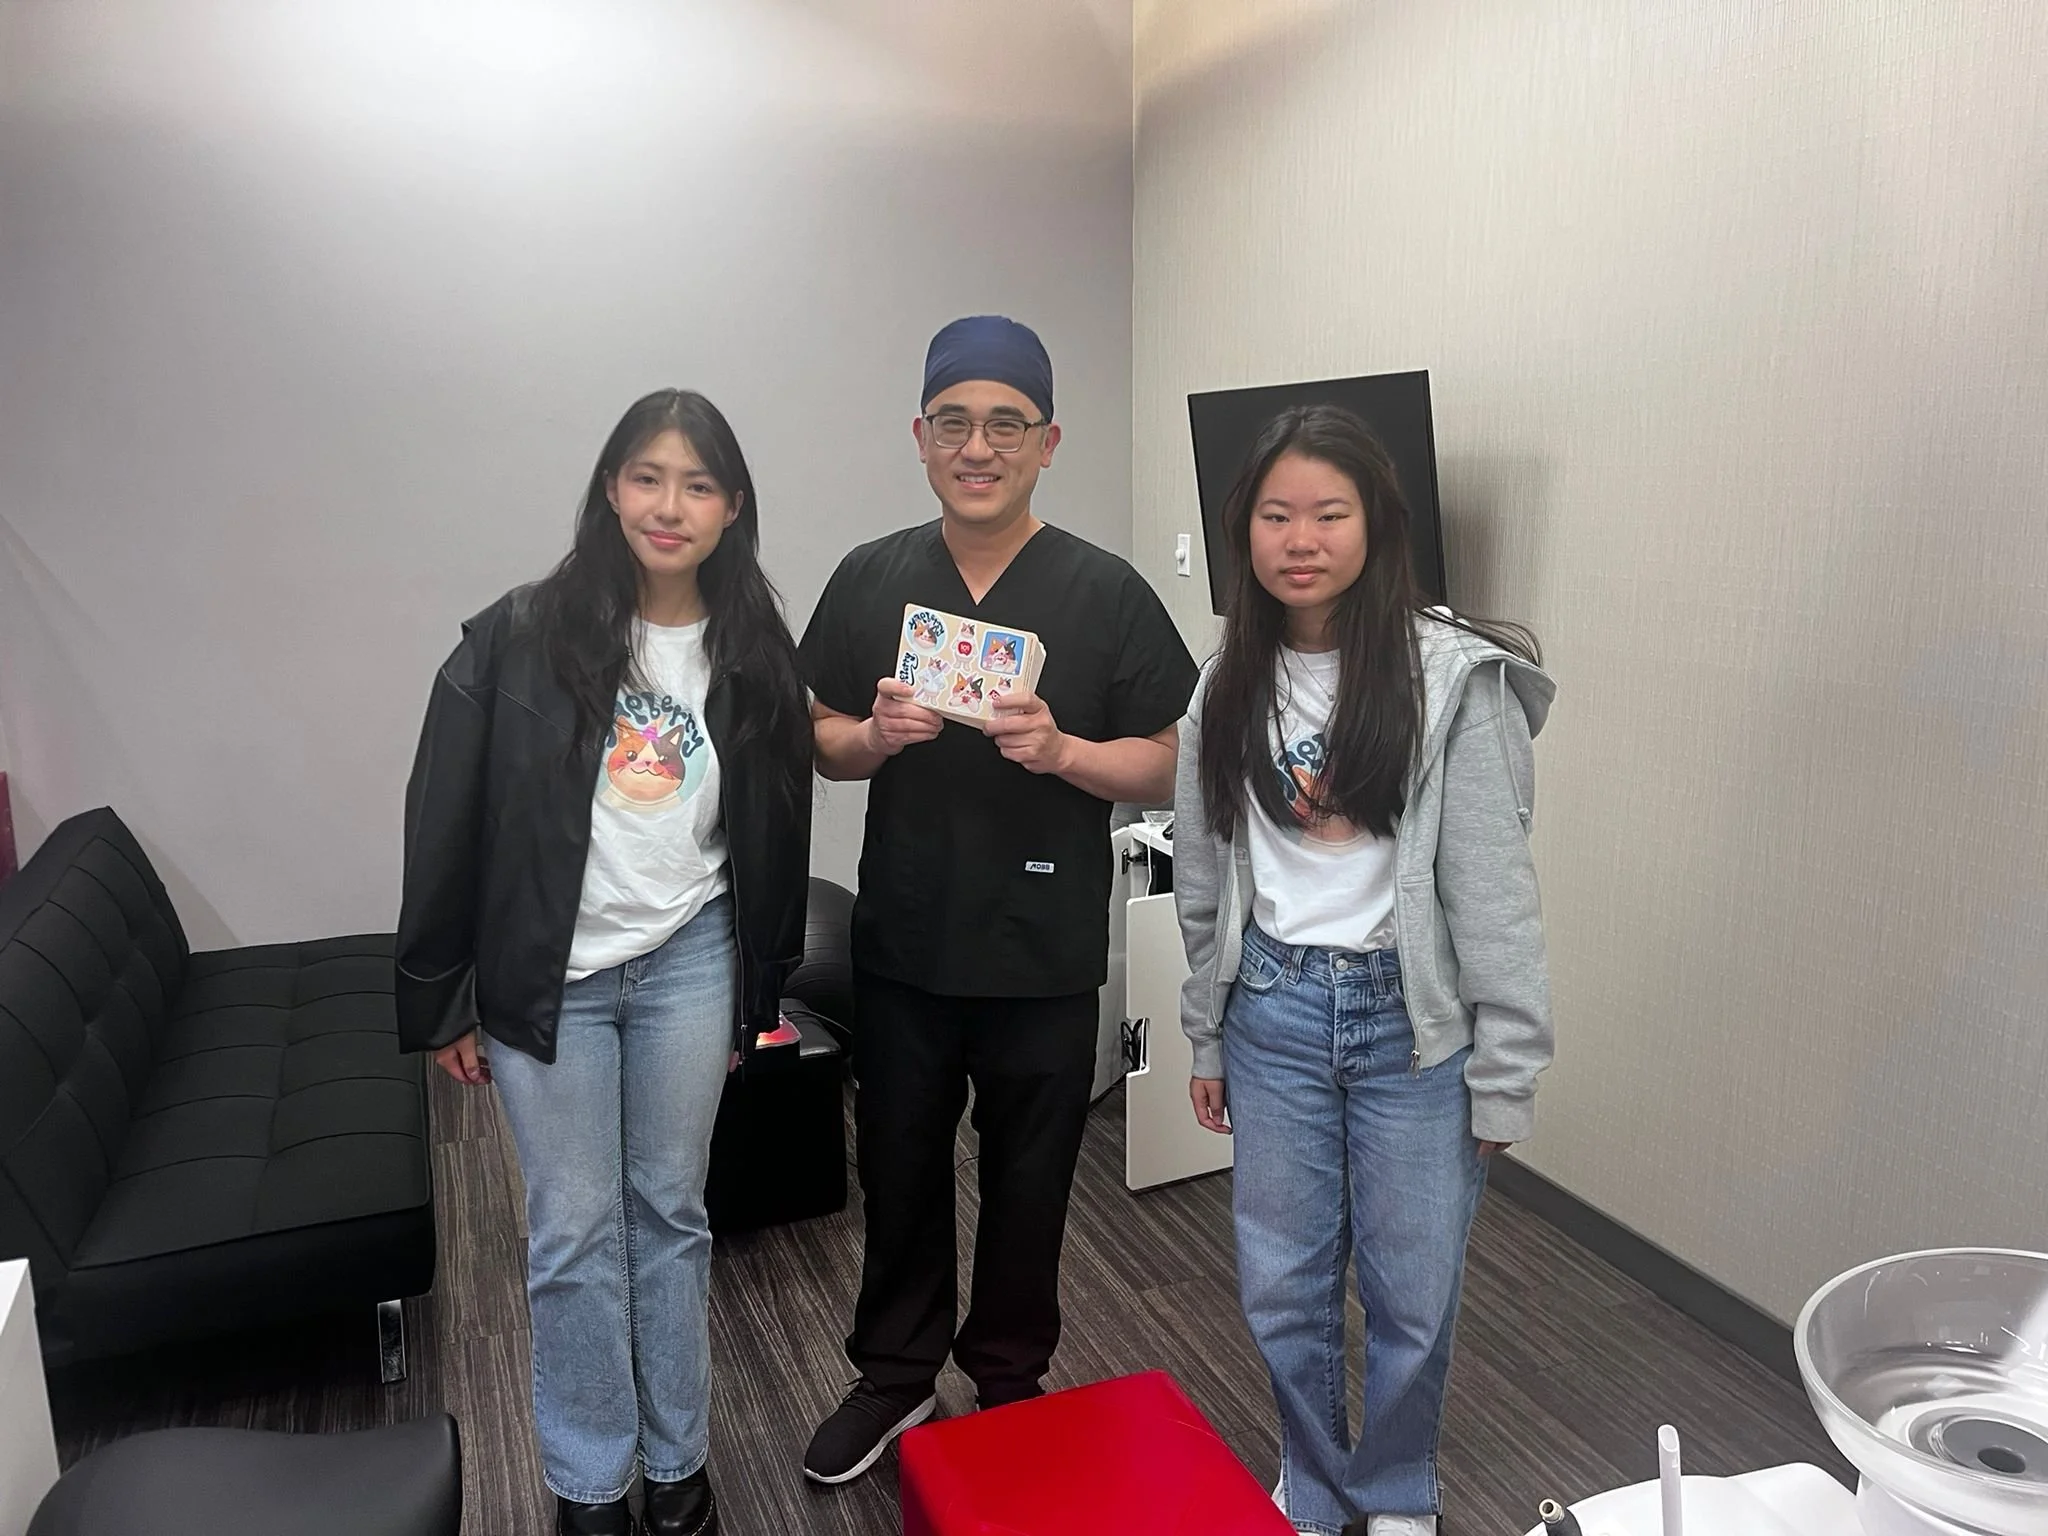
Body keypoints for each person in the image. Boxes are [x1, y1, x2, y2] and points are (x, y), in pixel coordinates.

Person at [395, 389, 812, 1536]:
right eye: (646, 477)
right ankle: (591, 1482)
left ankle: (676, 1465)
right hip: (552, 978)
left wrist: (756, 993)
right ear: (611, 489)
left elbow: (777, 827)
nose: (668, 506)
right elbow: (443, 817)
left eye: (696, 484)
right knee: (572, 1232)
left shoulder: (753, 649)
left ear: (732, 507)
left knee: (671, 1213)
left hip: (689, 963)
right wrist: (443, 997)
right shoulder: (518, 637)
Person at [797, 316, 1198, 1485]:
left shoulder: (1104, 591)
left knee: (1031, 1181)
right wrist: (873, 735)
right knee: (898, 1167)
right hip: (904, 944)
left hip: (1042, 950)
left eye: (1005, 425)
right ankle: (894, 1375)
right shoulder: (871, 577)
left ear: (1047, 442)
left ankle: (1010, 1378)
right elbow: (817, 735)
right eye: (955, 424)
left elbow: (1172, 760)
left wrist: (1064, 753)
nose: (978, 447)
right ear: (921, 438)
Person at [1172, 404, 1555, 1536]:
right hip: (1272, 1009)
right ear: (1243, 531)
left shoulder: (1451, 680)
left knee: (1411, 1291)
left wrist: (1508, 1068)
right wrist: (1204, 1032)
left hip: (1411, 1025)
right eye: (1275, 515)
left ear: (1375, 525)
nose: (1301, 539)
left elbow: (1494, 893)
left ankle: (1391, 1489)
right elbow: (1204, 878)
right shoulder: (1224, 685)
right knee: (1281, 1287)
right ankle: (1313, 1476)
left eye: (1328, 514)